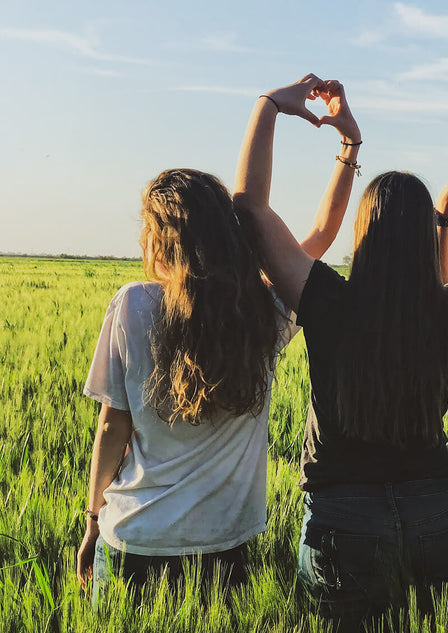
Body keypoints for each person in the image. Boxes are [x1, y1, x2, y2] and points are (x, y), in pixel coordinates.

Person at [232, 75, 448, 622]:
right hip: (436, 516)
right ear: (422, 239)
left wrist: (269, 106)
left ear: (364, 234)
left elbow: (249, 210)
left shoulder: (327, 299)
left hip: (343, 520)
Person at [76, 81, 355, 605]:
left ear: (160, 240)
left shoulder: (133, 305)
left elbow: (113, 425)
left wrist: (93, 519)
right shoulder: (263, 312)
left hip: (134, 540)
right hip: (224, 550)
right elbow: (320, 234)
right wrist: (347, 148)